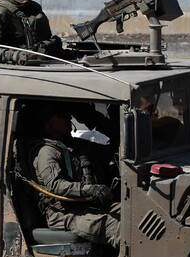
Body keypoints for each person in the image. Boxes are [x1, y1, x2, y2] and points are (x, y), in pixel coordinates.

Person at [26, 102, 120, 249]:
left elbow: (109, 150)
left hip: (87, 206)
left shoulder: (74, 146)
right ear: (49, 122)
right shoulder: (47, 151)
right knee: (120, 229)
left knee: (132, 213)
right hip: (64, 213)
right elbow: (55, 185)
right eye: (63, 115)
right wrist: (90, 189)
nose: (69, 117)